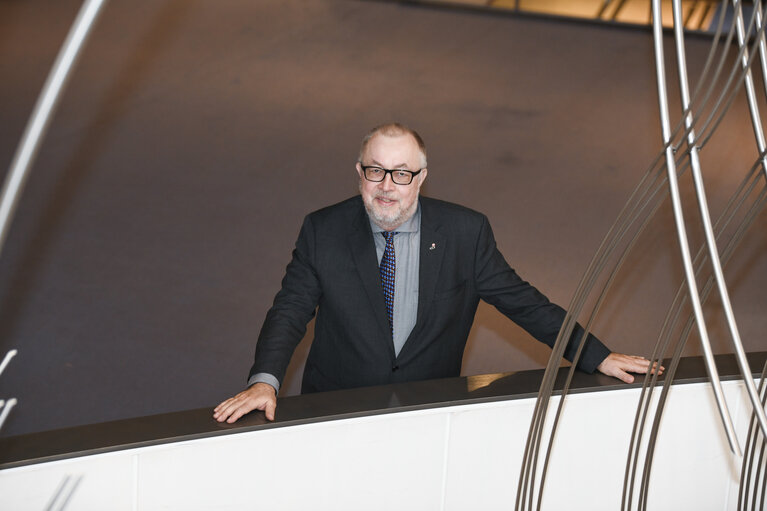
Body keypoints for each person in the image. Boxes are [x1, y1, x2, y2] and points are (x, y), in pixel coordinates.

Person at [214, 123, 657, 423]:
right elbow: (289, 310)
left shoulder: (465, 232)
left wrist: (594, 355)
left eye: (402, 173)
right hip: (336, 408)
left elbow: (524, 302)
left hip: (427, 410)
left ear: (422, 177)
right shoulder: (323, 229)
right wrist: (264, 381)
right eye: (376, 171)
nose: (387, 186)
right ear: (359, 173)